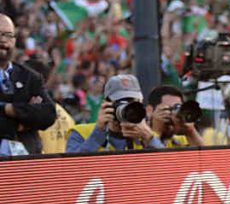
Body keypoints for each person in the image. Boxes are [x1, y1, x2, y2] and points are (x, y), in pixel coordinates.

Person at [0, 14, 56, 156]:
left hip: (26, 166)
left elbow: (49, 114)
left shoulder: (30, 77)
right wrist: (25, 121)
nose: (3, 40)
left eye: (8, 35)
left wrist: (7, 108)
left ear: (14, 40)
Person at [65, 74, 164, 152]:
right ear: (105, 104)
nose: (127, 108)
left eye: (132, 103)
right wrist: (98, 133)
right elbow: (70, 170)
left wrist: (149, 139)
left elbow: (169, 169)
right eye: (121, 102)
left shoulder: (149, 136)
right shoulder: (81, 133)